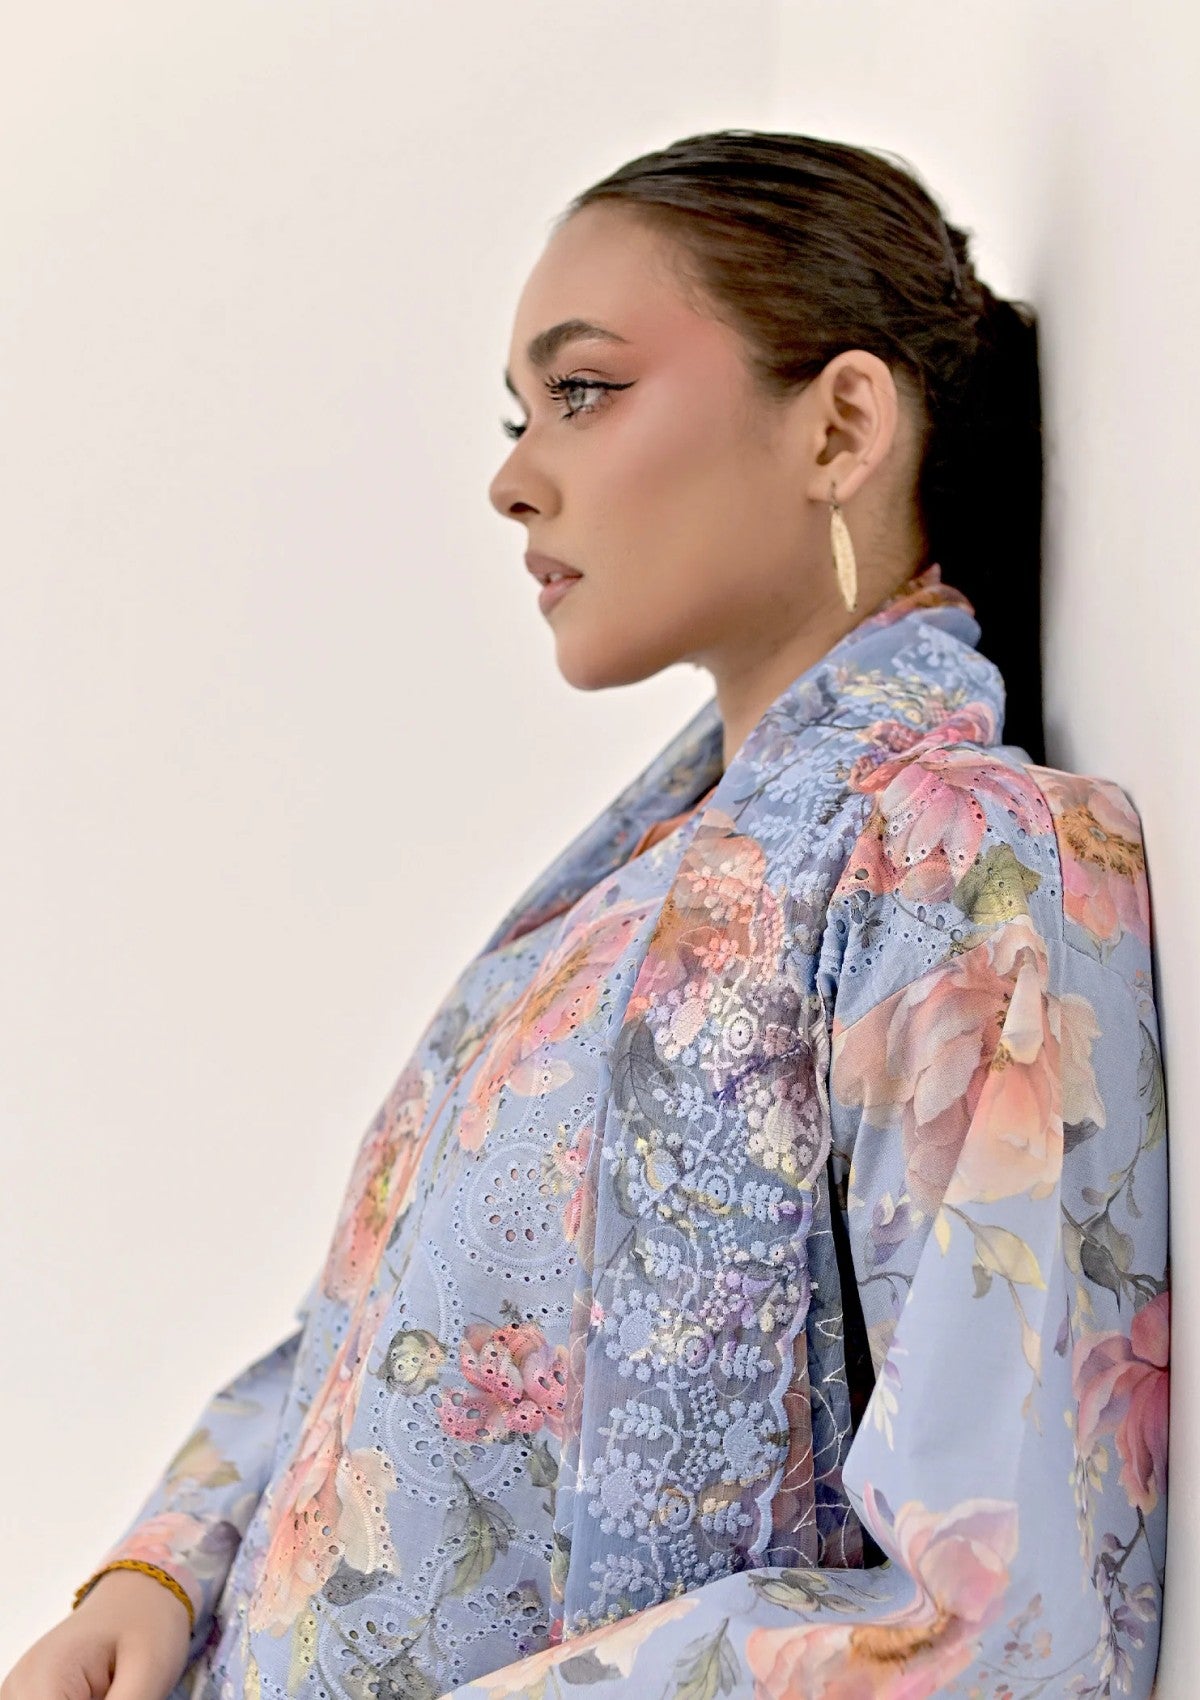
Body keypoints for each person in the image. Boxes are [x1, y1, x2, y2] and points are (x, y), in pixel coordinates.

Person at [3, 129, 1168, 1700]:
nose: (513, 477)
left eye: (586, 391)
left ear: (840, 425)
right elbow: (380, 1338)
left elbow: (1006, 1620)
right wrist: (160, 1568)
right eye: (520, 412)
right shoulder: (624, 891)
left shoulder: (971, 869)